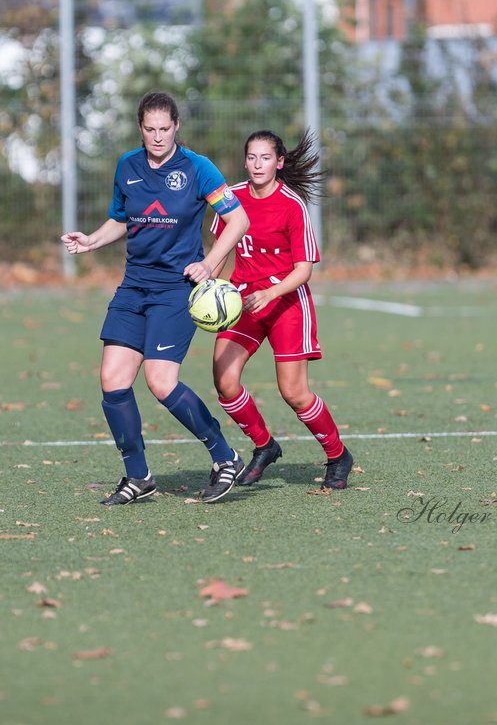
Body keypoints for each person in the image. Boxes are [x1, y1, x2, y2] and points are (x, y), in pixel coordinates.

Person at [61, 92, 250, 505]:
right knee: (112, 381)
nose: (158, 137)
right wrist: (91, 240)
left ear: (176, 126)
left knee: (161, 382)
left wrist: (211, 262)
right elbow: (121, 217)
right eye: (150, 129)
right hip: (134, 286)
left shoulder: (198, 168)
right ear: (140, 127)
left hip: (175, 290)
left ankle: (225, 456)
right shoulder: (128, 166)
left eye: (165, 129)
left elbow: (238, 219)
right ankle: (138, 476)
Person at [210, 129, 354, 490]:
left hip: (287, 303)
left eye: (266, 158)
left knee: (293, 392)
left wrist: (271, 292)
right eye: (252, 157)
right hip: (244, 301)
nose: (258, 164)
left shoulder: (292, 204)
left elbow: (304, 269)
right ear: (245, 161)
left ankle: (338, 455)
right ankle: (264, 446)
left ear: (279, 163)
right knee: (224, 381)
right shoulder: (232, 198)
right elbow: (221, 249)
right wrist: (207, 283)